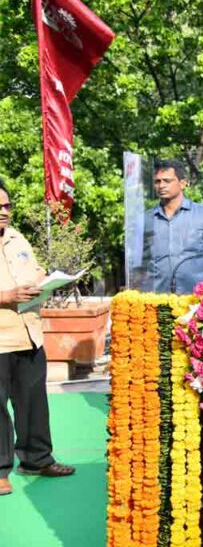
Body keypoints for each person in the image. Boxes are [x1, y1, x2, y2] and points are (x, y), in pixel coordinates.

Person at [0, 180, 75, 497]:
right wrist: (8, 295)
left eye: (7, 206)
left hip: (30, 334)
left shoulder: (18, 238)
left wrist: (46, 282)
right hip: (1, 338)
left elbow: (34, 269)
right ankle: (1, 471)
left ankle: (37, 459)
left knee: (33, 403)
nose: (4, 212)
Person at [143, 160, 203, 293]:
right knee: (163, 315)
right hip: (158, 298)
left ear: (183, 183)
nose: (161, 186)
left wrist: (198, 272)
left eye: (167, 181)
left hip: (196, 299)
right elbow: (141, 260)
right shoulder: (146, 219)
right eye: (157, 181)